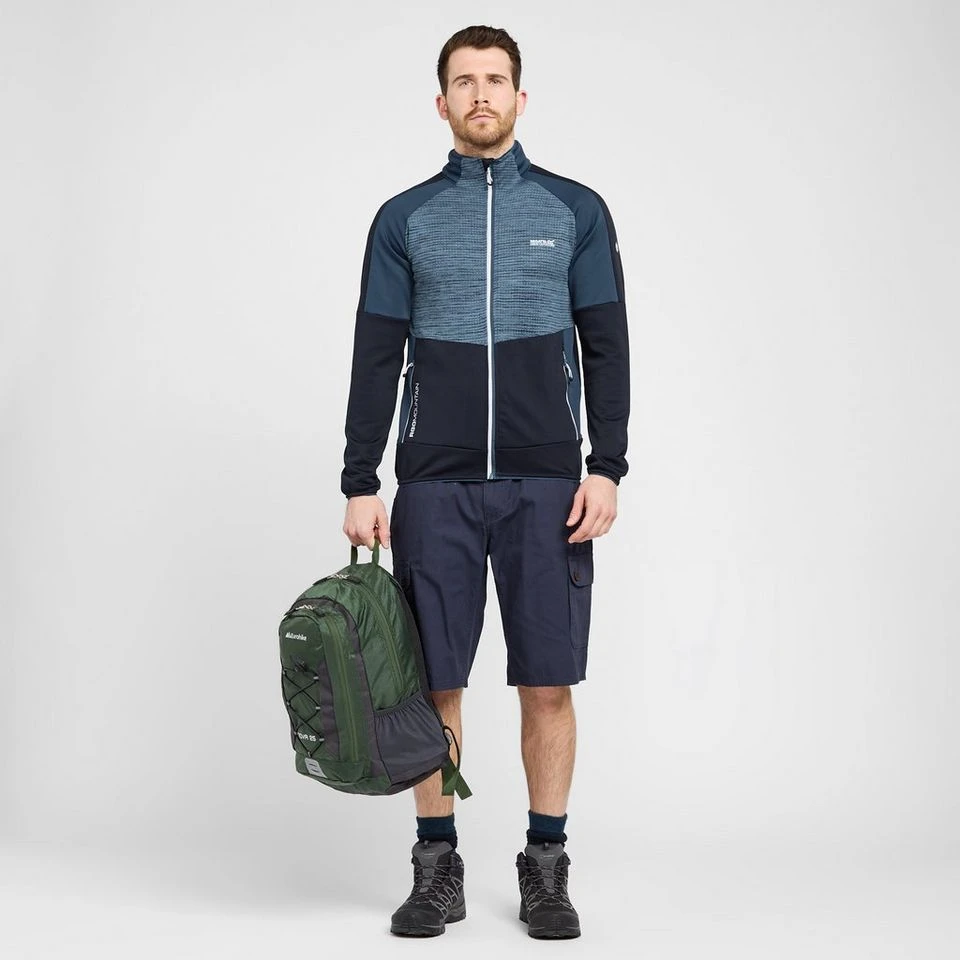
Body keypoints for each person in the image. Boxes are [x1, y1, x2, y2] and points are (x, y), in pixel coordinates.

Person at [340, 24, 629, 940]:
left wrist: (607, 466)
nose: (480, 94)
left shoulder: (576, 211)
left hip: (549, 487)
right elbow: (376, 354)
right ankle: (437, 866)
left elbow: (606, 345)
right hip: (435, 486)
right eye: (463, 81)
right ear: (441, 103)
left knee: (548, 684)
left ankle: (546, 866)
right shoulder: (406, 219)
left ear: (520, 98)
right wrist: (360, 477)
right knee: (433, 684)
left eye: (495, 80)